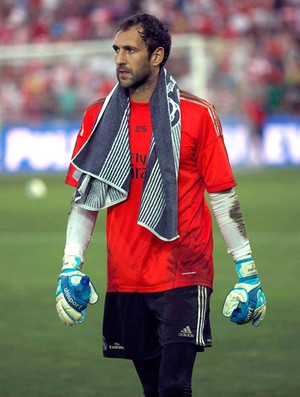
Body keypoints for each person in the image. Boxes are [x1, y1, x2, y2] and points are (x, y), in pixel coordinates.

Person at [55, 13, 266, 397]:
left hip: (183, 271)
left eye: (131, 50)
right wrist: (70, 267)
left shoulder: (198, 114)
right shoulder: (98, 117)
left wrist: (247, 270)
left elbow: (222, 196)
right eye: (116, 49)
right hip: (127, 273)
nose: (120, 58)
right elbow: (85, 201)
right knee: (152, 388)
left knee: (173, 385)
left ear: (157, 56)